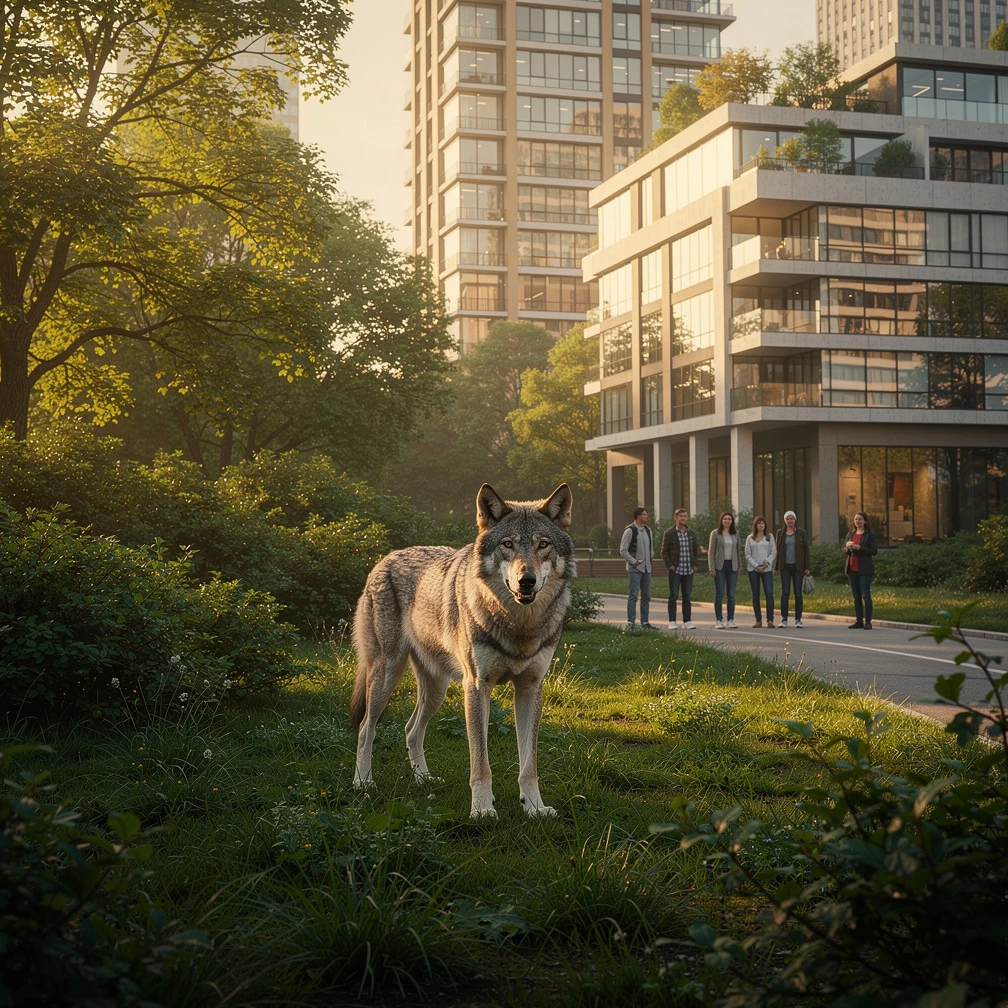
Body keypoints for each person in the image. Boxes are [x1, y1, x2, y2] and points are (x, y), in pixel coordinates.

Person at [660, 507, 698, 630]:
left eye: (685, 516)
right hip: (675, 570)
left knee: (687, 596)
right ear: (675, 517)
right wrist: (670, 565)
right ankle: (672, 621)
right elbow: (664, 552)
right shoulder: (669, 533)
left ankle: (687, 621)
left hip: (688, 569)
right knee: (673, 595)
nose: (683, 518)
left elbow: (695, 551)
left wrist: (695, 564)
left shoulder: (691, 533)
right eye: (681, 516)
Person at [774, 510, 811, 629]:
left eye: (792, 518)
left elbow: (806, 551)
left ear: (795, 520)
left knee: (798, 594)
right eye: (788, 519)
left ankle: (798, 619)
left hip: (798, 567)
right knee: (785, 593)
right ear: (785, 520)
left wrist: (807, 567)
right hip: (785, 567)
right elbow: (777, 550)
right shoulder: (780, 532)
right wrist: (775, 567)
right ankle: (784, 619)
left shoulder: (801, 533)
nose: (790, 521)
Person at [619, 507, 653, 629]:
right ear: (638, 516)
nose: (646, 516)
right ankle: (631, 622)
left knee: (646, 596)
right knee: (633, 595)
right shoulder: (630, 531)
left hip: (647, 569)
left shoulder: (648, 531)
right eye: (644, 514)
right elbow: (623, 550)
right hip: (635, 569)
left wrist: (650, 560)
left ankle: (645, 622)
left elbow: (651, 549)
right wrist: (634, 562)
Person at [843, 511, 878, 630]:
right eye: (856, 519)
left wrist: (860, 548)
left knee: (865, 595)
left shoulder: (869, 535)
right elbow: (845, 550)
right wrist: (847, 547)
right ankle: (859, 620)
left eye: (860, 519)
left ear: (865, 522)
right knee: (856, 596)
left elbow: (874, 551)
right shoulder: (850, 534)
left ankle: (868, 621)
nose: (857, 521)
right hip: (852, 568)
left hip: (865, 569)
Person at [707, 511, 742, 629]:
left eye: (729, 519)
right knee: (720, 593)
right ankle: (719, 620)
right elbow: (711, 552)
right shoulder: (715, 533)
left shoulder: (735, 533)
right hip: (719, 566)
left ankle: (731, 619)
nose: (727, 521)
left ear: (732, 521)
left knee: (731, 594)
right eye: (725, 519)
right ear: (721, 520)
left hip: (732, 566)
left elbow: (738, 551)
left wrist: (740, 567)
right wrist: (711, 568)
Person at [745, 516, 776, 628]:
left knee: (769, 593)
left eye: (762, 523)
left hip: (766, 569)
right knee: (755, 594)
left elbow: (773, 552)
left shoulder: (769, 537)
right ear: (755, 525)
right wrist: (756, 566)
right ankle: (758, 620)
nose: (761, 525)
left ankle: (770, 620)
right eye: (758, 523)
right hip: (753, 569)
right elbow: (747, 554)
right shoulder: (750, 538)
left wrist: (766, 563)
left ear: (765, 525)